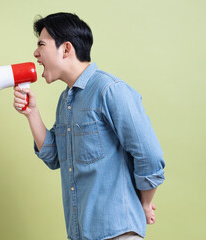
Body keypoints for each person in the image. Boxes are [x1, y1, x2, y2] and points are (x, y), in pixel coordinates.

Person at [13, 13, 165, 240]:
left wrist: (145, 203)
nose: (36, 54)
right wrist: (31, 113)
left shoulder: (110, 90)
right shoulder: (66, 101)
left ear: (66, 49)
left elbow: (149, 156)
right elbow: (54, 156)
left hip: (118, 233)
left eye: (41, 45)